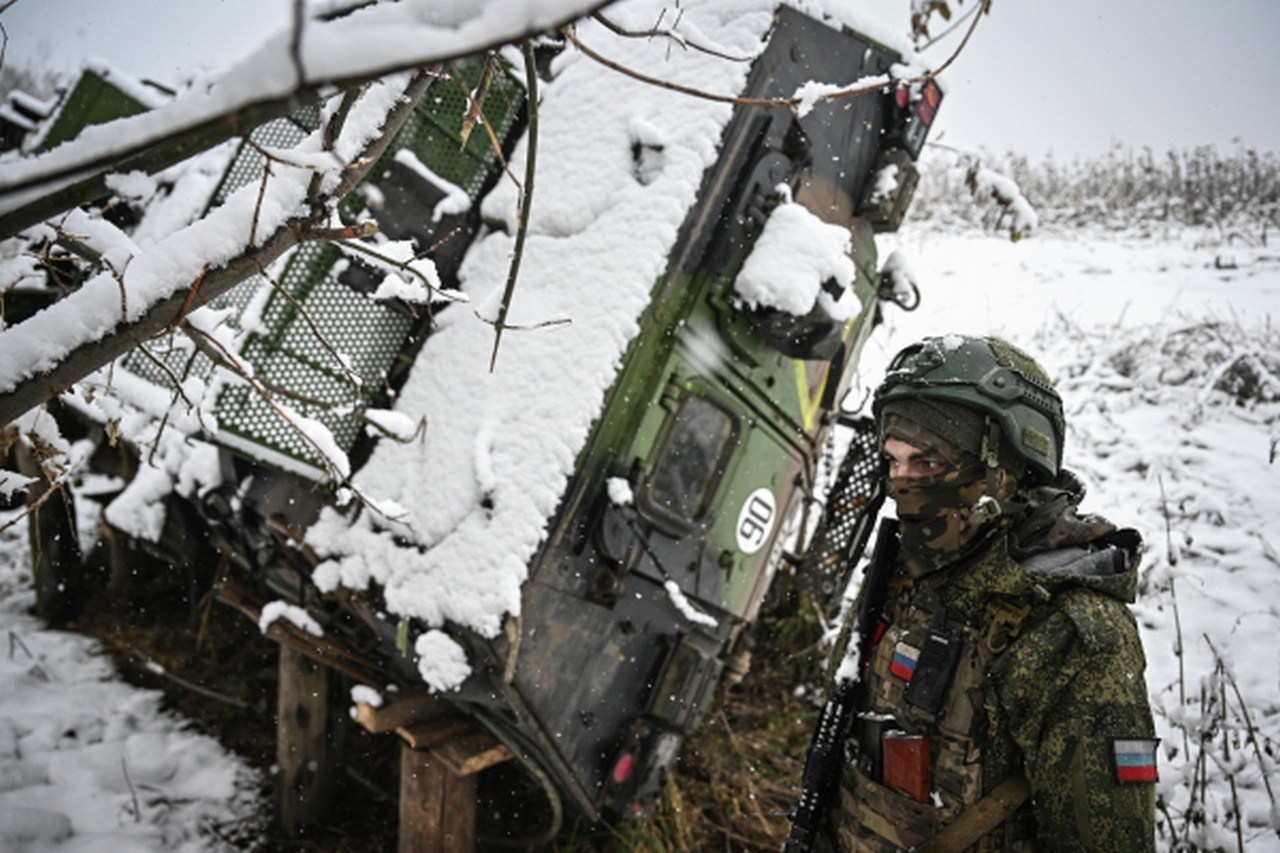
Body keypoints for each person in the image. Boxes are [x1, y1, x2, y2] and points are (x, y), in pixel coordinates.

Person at [807, 334, 1157, 851]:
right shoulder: (905, 575)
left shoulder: (1071, 635)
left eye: (927, 464)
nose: (902, 486)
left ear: (1009, 469)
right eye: (893, 463)